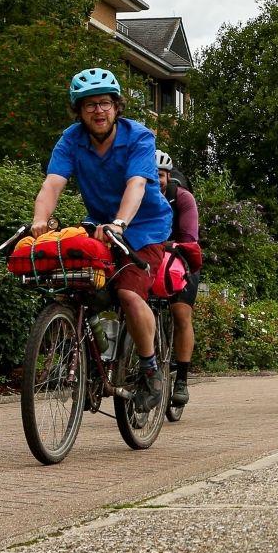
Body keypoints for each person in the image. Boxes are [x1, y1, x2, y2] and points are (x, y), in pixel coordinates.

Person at [31, 69, 174, 411]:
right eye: (90, 104)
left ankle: (150, 369)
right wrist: (39, 221)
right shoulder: (71, 139)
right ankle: (89, 362)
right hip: (100, 224)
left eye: (105, 103)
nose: (99, 110)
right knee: (75, 284)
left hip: (144, 225)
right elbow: (52, 184)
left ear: (116, 106)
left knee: (127, 291)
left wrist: (120, 223)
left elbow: (136, 185)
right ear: (79, 112)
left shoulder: (138, 136)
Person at [157, 151, 200, 408]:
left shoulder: (182, 198)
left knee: (181, 313)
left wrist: (173, 246)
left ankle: (182, 378)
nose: (156, 180)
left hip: (181, 258)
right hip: (149, 258)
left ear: (168, 177)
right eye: (150, 175)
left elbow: (189, 237)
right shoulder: (137, 195)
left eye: (160, 176)